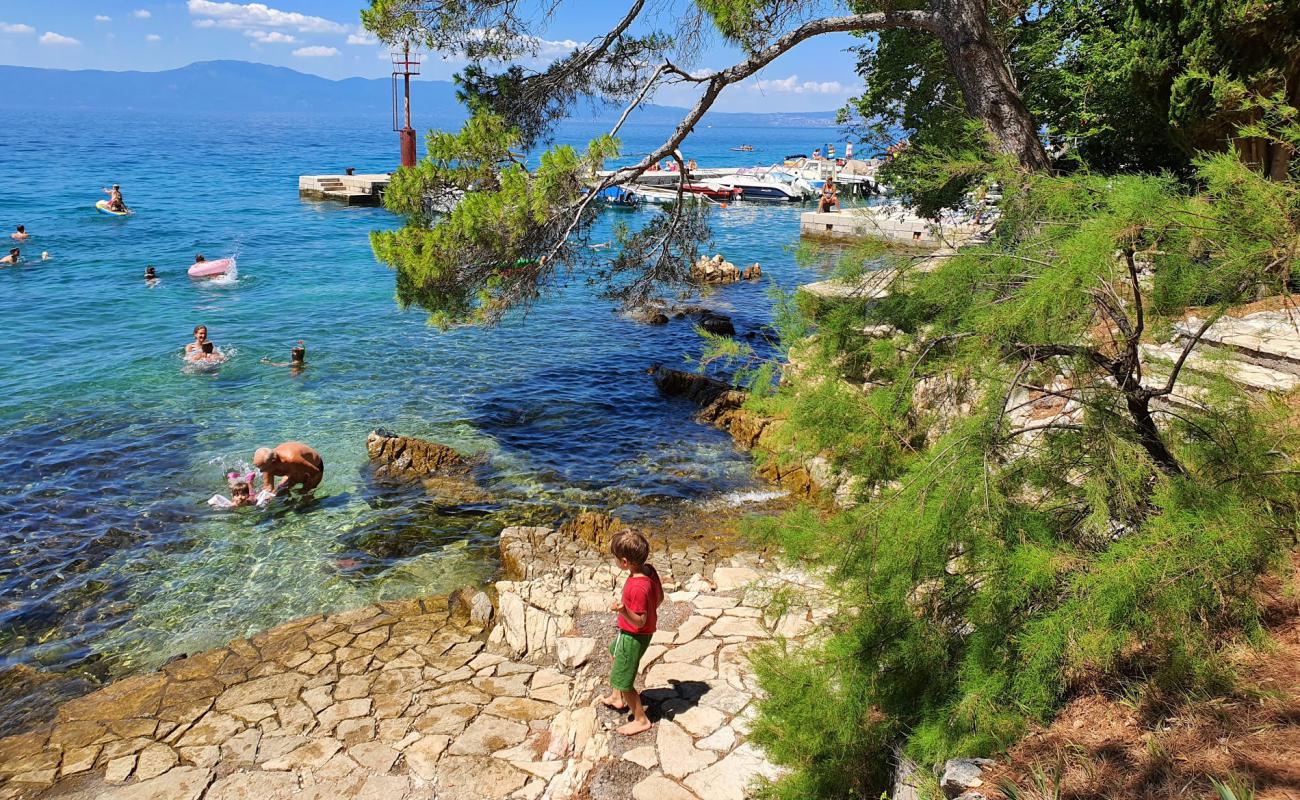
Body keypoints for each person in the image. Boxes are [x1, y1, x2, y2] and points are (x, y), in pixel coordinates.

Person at [598, 529, 664, 736]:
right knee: (613, 651)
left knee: (624, 681)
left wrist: (623, 610)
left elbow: (640, 621)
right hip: (632, 634)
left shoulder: (636, 587)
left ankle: (640, 719)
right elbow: (660, 598)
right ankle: (617, 698)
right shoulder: (650, 571)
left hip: (633, 636)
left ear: (624, 562)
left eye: (617, 559)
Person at [253, 442, 324, 497]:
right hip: (292, 469)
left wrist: (306, 488)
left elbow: (315, 473)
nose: (261, 471)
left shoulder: (292, 460)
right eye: (260, 469)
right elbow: (268, 488)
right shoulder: (266, 464)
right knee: (279, 492)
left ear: (274, 462)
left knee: (305, 497)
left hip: (314, 467)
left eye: (264, 469)